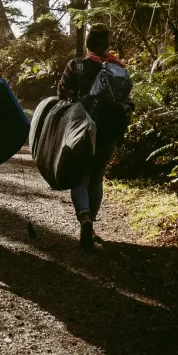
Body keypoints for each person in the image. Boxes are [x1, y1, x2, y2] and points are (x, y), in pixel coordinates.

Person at [56, 23, 130, 250]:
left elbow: (61, 93)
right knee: (97, 178)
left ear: (88, 43)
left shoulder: (75, 65)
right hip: (108, 131)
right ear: (106, 44)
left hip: (82, 129)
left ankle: (85, 218)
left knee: (80, 177)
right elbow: (125, 100)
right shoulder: (118, 69)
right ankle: (91, 225)